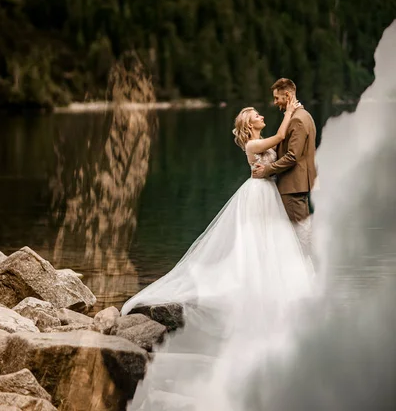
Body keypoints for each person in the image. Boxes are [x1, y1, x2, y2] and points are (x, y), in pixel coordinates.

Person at [121, 98, 313, 411]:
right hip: (258, 194)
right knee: (255, 241)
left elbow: (284, 151)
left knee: (270, 240)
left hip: (269, 193)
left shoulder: (257, 140)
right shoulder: (253, 145)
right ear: (250, 124)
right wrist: (290, 112)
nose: (261, 115)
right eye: (256, 114)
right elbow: (278, 140)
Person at [252, 78, 317, 258]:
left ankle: (309, 278)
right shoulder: (306, 116)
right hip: (299, 185)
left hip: (292, 186)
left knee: (301, 236)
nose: (275, 102)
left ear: (287, 95)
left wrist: (267, 170)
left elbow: (292, 156)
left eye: (276, 98)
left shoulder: (297, 120)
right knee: (300, 233)